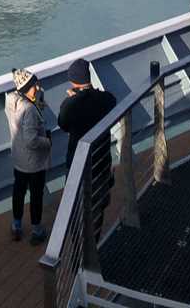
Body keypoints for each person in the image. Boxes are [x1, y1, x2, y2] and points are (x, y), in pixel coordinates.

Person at [56, 58, 117, 244]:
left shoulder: (71, 104)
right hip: (100, 161)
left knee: (75, 208)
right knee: (97, 209)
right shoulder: (105, 99)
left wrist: (72, 98)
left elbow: (63, 124)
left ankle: (77, 249)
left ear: (73, 82)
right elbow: (111, 102)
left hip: (77, 163)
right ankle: (93, 248)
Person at [5, 68, 54, 244]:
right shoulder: (29, 110)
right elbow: (31, 141)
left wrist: (36, 101)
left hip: (19, 159)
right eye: (34, 85)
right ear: (27, 87)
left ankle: (16, 225)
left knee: (18, 191)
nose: (38, 87)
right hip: (34, 163)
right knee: (36, 195)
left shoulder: (11, 101)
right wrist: (48, 142)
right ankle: (36, 230)